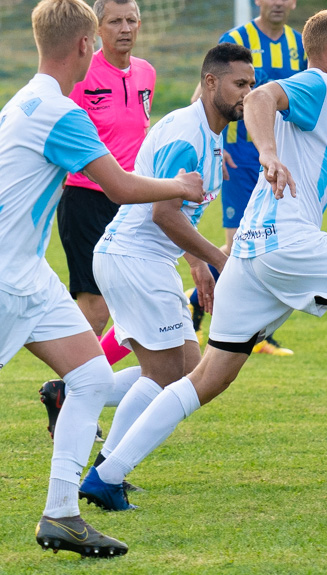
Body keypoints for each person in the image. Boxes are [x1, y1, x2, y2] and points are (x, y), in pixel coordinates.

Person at [73, 9, 327, 512]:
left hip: (248, 250)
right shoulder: (318, 85)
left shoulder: (320, 116)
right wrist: (266, 152)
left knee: (205, 378)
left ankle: (106, 475)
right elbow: (264, 96)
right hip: (288, 243)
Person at [0, 0, 203, 557]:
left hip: (27, 274)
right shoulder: (59, 113)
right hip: (7, 278)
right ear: (87, 45)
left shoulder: (26, 100)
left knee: (89, 376)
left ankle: (62, 515)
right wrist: (181, 187)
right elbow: (118, 186)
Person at [76, 44, 256, 511]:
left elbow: (181, 214)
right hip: (135, 259)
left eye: (252, 85)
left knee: (188, 369)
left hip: (145, 261)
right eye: (240, 84)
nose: (248, 95)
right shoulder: (187, 134)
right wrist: (220, 259)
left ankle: (89, 427)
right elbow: (163, 213)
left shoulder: (210, 133)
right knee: (166, 376)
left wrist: (198, 265)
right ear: (211, 83)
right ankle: (106, 471)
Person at [39, 0, 152, 442]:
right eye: (115, 22)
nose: (124, 29)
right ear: (97, 30)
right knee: (96, 305)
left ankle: (68, 391)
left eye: (131, 21)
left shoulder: (146, 73)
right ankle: (75, 391)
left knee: (127, 304)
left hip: (131, 201)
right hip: (87, 198)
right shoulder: (83, 79)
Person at [186, 0, 306, 356]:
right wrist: (208, 141)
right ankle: (241, 326)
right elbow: (207, 92)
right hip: (239, 155)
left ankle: (200, 306)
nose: (279, 3)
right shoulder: (237, 38)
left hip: (279, 155)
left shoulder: (300, 44)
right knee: (242, 242)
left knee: (264, 241)